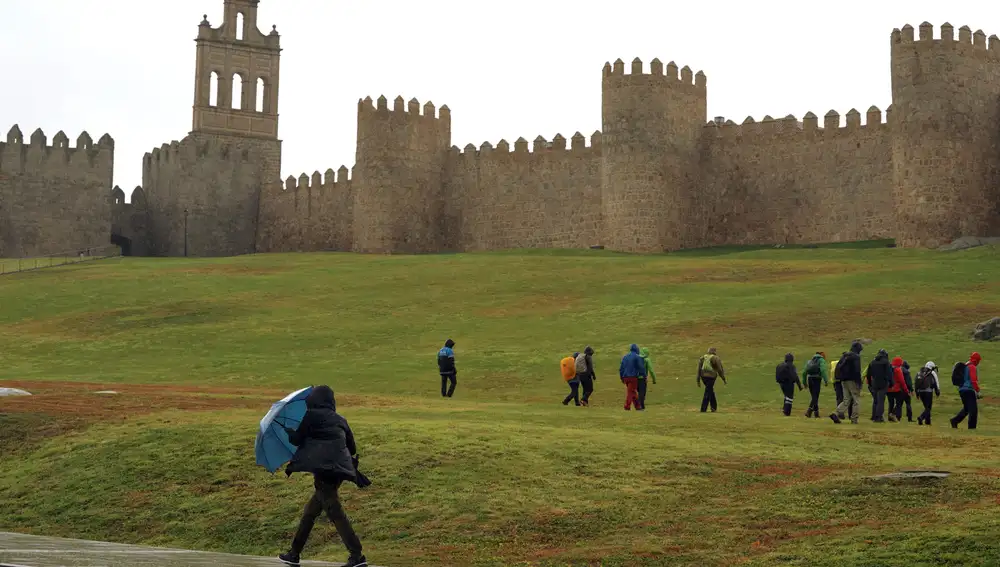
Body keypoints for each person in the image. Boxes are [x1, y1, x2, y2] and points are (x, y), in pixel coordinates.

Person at [279, 386, 368, 567]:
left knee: (335, 512)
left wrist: (289, 433)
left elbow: (297, 440)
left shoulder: (310, 416)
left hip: (324, 470)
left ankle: (357, 555)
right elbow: (352, 448)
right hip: (341, 471)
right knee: (310, 512)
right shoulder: (340, 419)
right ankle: (294, 553)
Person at [830, 341, 864, 424]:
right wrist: (859, 382)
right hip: (853, 380)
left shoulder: (845, 355)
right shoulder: (856, 357)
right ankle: (854, 419)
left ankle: (837, 413)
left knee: (846, 399)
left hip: (843, 380)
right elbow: (857, 370)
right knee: (856, 400)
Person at [951, 352, 983, 430]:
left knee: (967, 408)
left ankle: (955, 420)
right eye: (978, 361)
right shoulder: (972, 367)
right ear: (976, 360)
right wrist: (978, 391)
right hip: (969, 390)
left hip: (962, 390)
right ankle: (972, 428)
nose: (978, 363)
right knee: (973, 410)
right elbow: (973, 380)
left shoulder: (966, 366)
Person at [865, 349, 893, 423]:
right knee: (881, 401)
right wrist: (891, 383)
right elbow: (889, 374)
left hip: (874, 383)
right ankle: (879, 417)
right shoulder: (886, 362)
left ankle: (874, 416)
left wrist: (870, 383)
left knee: (875, 400)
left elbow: (868, 374)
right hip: (883, 383)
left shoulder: (873, 362)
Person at [697, 347, 727, 413]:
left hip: (703, 377)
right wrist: (723, 378)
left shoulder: (702, 358)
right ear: (714, 352)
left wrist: (698, 379)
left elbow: (699, 369)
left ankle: (713, 407)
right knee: (707, 392)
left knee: (710, 390)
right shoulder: (716, 358)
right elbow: (720, 369)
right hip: (711, 377)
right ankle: (703, 409)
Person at [619, 344, 646, 411]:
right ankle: (627, 406)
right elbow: (641, 367)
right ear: (637, 349)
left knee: (632, 391)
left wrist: (621, 377)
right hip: (633, 377)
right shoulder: (637, 357)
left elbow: (621, 368)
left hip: (625, 377)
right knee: (631, 392)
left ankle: (638, 406)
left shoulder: (625, 357)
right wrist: (644, 375)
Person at [802, 351, 829, 418]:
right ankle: (809, 411)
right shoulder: (821, 360)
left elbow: (804, 372)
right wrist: (826, 380)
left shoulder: (810, 361)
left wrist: (804, 383)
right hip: (817, 379)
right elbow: (823, 370)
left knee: (814, 396)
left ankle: (816, 413)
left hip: (810, 379)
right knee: (815, 396)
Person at [915, 361, 941, 426]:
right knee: (928, 408)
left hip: (920, 391)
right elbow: (936, 382)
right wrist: (937, 391)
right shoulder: (932, 373)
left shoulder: (919, 372)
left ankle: (928, 421)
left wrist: (917, 393)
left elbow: (916, 383)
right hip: (928, 391)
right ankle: (921, 417)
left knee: (926, 407)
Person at [886, 356, 911, 422]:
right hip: (896, 389)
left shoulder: (888, 368)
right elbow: (902, 381)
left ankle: (890, 417)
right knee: (899, 403)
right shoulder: (898, 370)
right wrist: (906, 390)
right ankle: (897, 417)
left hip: (888, 389)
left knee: (890, 403)